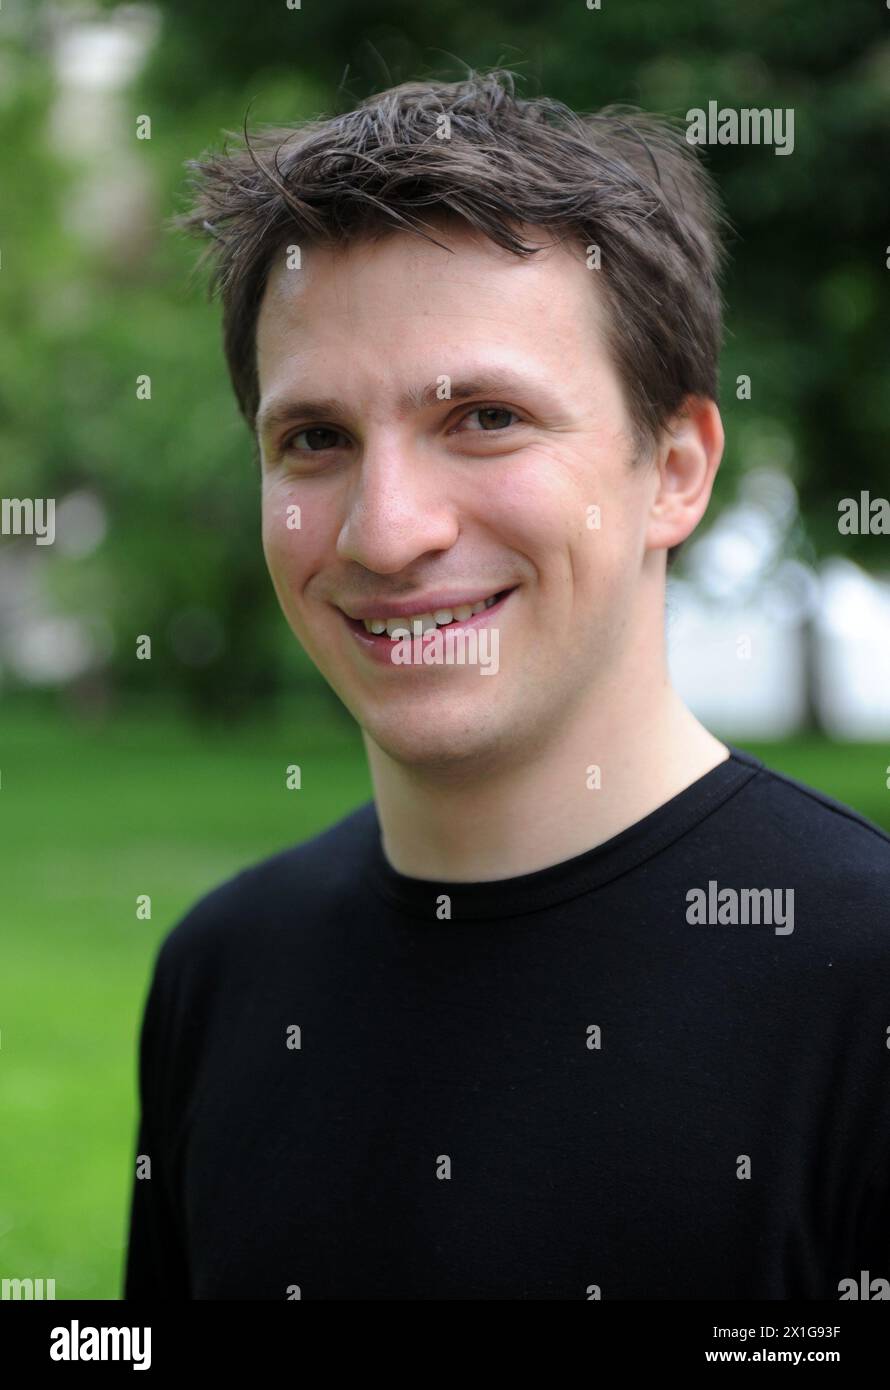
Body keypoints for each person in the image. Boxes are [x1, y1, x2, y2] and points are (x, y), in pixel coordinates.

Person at [124, 71, 890, 1300]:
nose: (385, 533)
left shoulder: (859, 983)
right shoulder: (222, 973)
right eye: (314, 438)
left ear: (675, 468)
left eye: (484, 417)